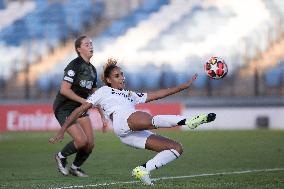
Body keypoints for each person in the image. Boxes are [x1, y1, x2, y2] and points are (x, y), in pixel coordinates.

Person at [49, 58, 216, 184]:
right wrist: (62, 130)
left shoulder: (130, 94)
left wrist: (183, 87)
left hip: (129, 134)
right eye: (117, 75)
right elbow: (79, 109)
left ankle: (143, 170)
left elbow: (157, 95)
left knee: (176, 148)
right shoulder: (104, 91)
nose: (122, 77)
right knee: (149, 119)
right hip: (122, 120)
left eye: (122, 74)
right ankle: (188, 121)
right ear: (108, 80)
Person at [52, 35, 106, 177]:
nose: (91, 46)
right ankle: (60, 156)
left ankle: (75, 168)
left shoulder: (93, 70)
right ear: (78, 49)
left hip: (79, 108)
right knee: (81, 141)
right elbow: (64, 90)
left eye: (91, 44)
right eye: (87, 44)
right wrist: (83, 101)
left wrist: (103, 116)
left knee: (90, 143)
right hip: (64, 108)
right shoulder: (74, 65)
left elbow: (96, 95)